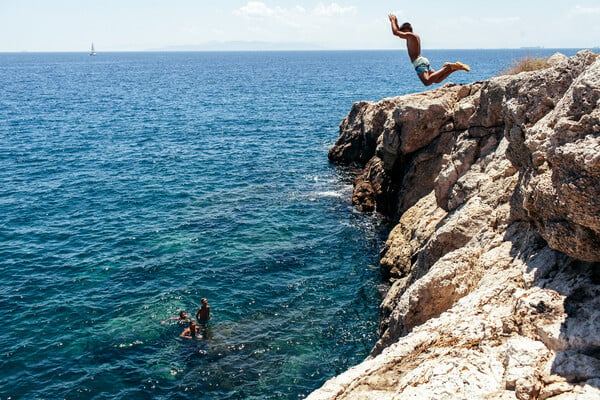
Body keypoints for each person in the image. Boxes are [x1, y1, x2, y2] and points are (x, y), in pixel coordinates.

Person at [388, 14, 470, 86]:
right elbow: (398, 31)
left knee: (427, 82)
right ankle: (454, 68)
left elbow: (396, 32)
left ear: (407, 30)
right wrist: (396, 22)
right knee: (437, 80)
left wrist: (392, 20)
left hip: (419, 62)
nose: (402, 36)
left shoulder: (411, 35)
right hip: (423, 60)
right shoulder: (414, 37)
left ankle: (447, 68)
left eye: (403, 32)